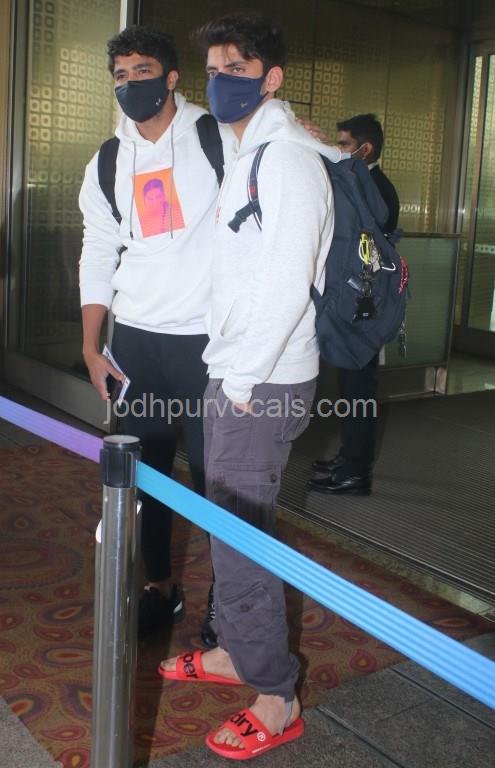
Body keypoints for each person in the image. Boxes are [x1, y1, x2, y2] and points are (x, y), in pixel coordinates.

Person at [159, 12, 341, 760]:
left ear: (271, 78)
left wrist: (238, 379)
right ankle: (237, 650)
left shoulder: (286, 160)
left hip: (259, 381)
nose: (220, 81)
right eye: (213, 69)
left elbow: (286, 284)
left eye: (237, 68)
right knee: (227, 525)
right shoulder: (251, 152)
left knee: (241, 542)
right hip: (237, 371)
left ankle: (274, 694)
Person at [79, 25, 234, 642]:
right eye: (120, 76)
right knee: (146, 478)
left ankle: (229, 598)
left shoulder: (214, 137)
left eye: (142, 71)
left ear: (171, 78)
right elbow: (98, 250)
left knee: (218, 480)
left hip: (206, 344)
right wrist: (91, 345)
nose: (130, 84)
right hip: (136, 344)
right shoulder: (108, 160)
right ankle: (160, 587)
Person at [307, 113, 400, 495]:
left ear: (366, 149)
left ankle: (356, 471)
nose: (339, 149)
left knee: (359, 389)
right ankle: (349, 457)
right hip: (359, 300)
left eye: (345, 144)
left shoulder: (374, 186)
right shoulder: (365, 181)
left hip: (364, 304)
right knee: (350, 387)